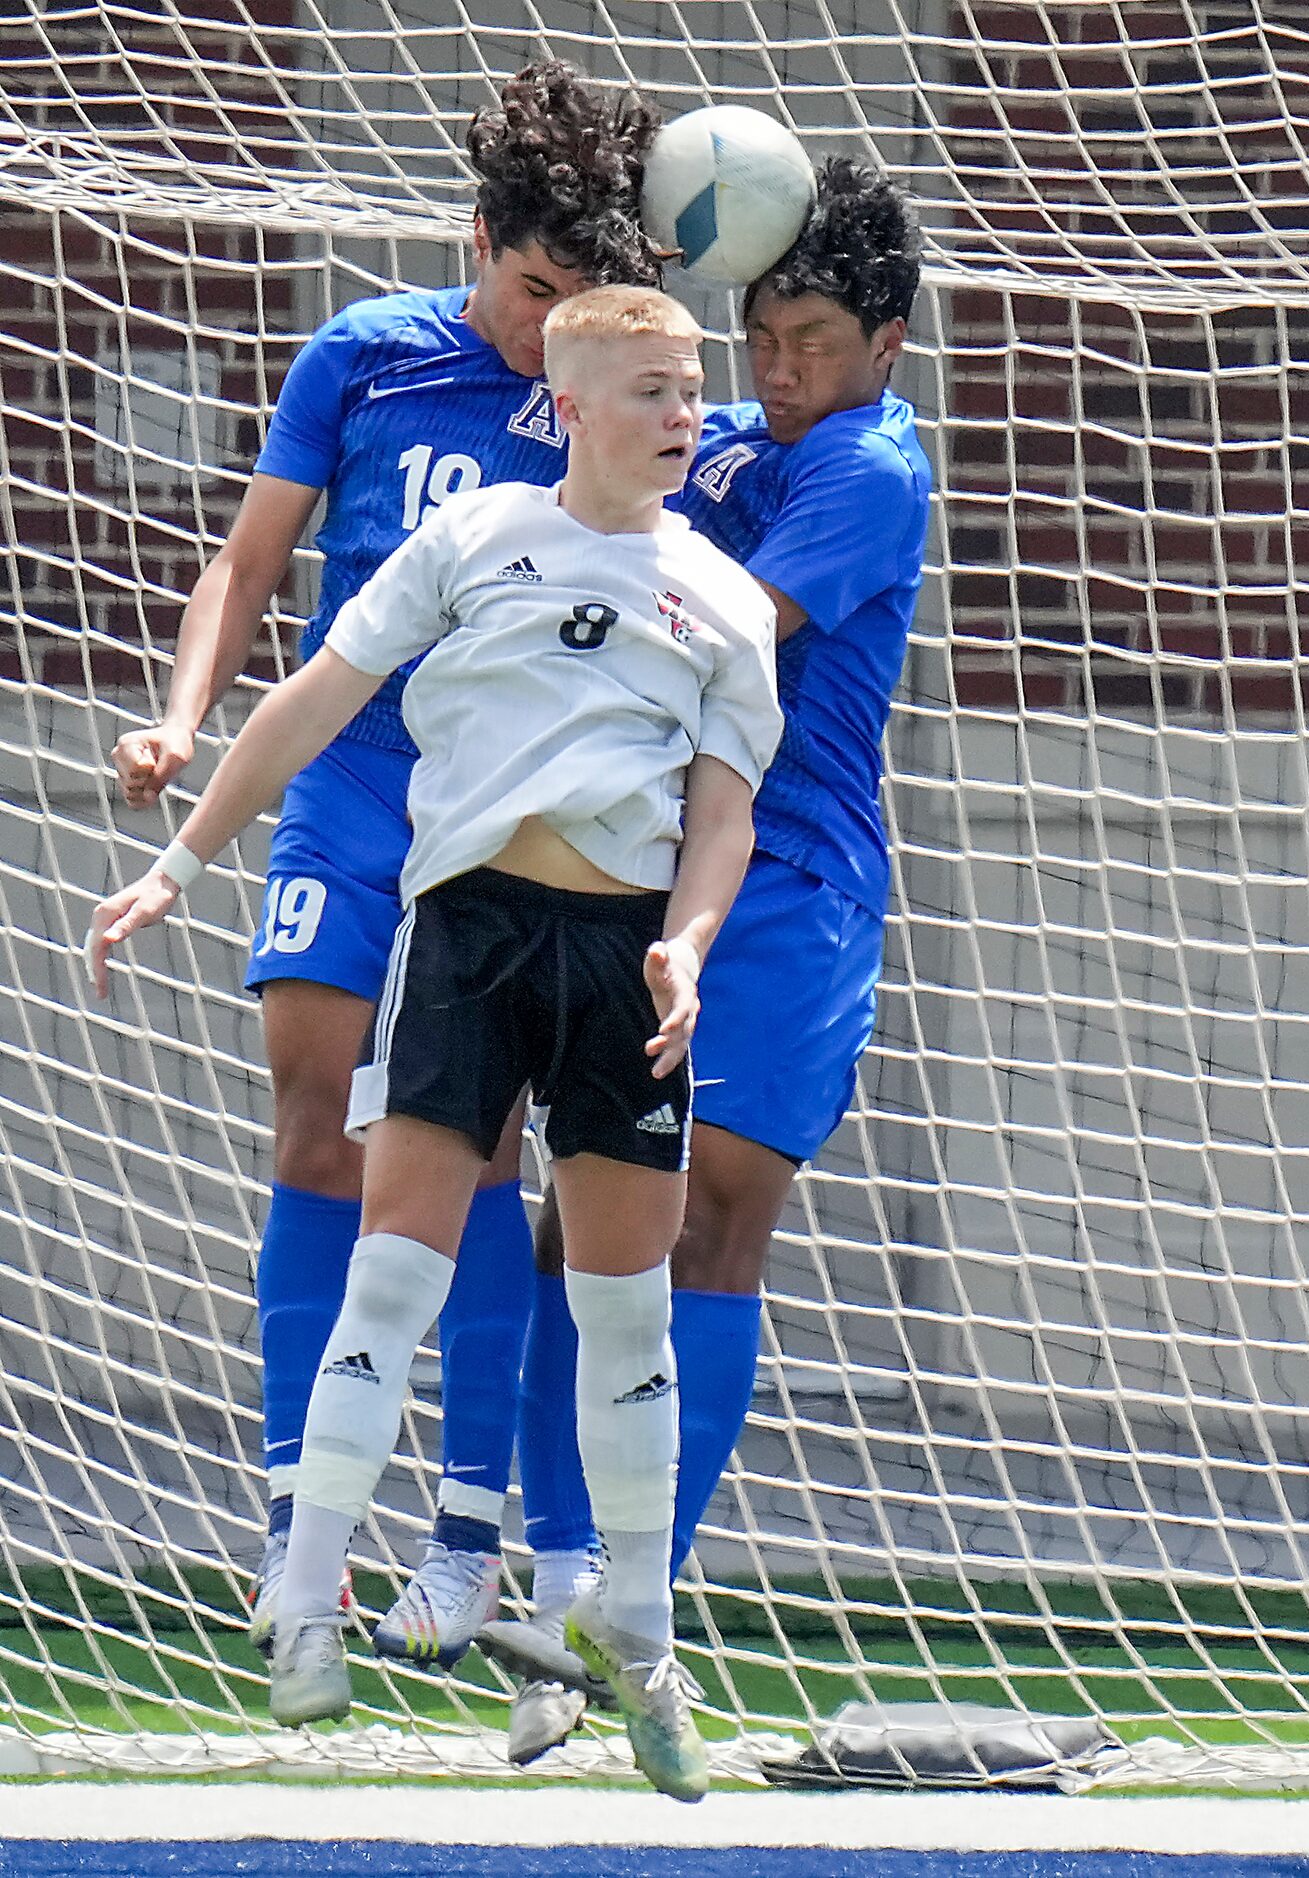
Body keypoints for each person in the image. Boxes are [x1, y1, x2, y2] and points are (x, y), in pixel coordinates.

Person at [89, 285, 783, 1801]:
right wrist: (182, 861)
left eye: (694, 389)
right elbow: (313, 702)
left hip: (620, 965)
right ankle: (305, 1599)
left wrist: (689, 940)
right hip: (466, 937)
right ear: (570, 397)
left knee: (623, 1317)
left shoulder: (724, 599)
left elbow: (723, 810)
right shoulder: (473, 541)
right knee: (391, 1268)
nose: (687, 416)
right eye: (658, 391)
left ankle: (642, 1645)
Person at [109, 61, 661, 1662]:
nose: (536, 324)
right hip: (353, 795)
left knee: (482, 1149)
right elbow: (248, 555)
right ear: (479, 234)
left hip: (502, 826)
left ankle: (465, 1532)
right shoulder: (363, 355)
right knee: (311, 1101)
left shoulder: (597, 396)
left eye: (573, 299)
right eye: (528, 287)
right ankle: (300, 1539)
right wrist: (182, 721)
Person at [467, 156, 930, 1764]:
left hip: (789, 884)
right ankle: (552, 1586)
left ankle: (636, 1588)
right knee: (572, 1226)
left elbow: (723, 615)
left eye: (808, 337)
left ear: (883, 340)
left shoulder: (869, 465)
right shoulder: (732, 431)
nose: (775, 369)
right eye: (758, 339)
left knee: (715, 1216)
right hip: (635, 867)